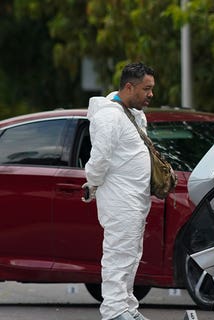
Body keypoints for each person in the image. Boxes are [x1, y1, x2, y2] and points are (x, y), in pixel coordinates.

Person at [83, 62, 155, 320]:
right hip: (119, 200)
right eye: (146, 89)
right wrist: (91, 183)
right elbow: (99, 158)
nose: (151, 94)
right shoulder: (108, 116)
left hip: (134, 199)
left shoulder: (133, 114)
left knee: (131, 256)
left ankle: (128, 309)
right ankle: (114, 312)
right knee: (118, 256)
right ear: (128, 87)